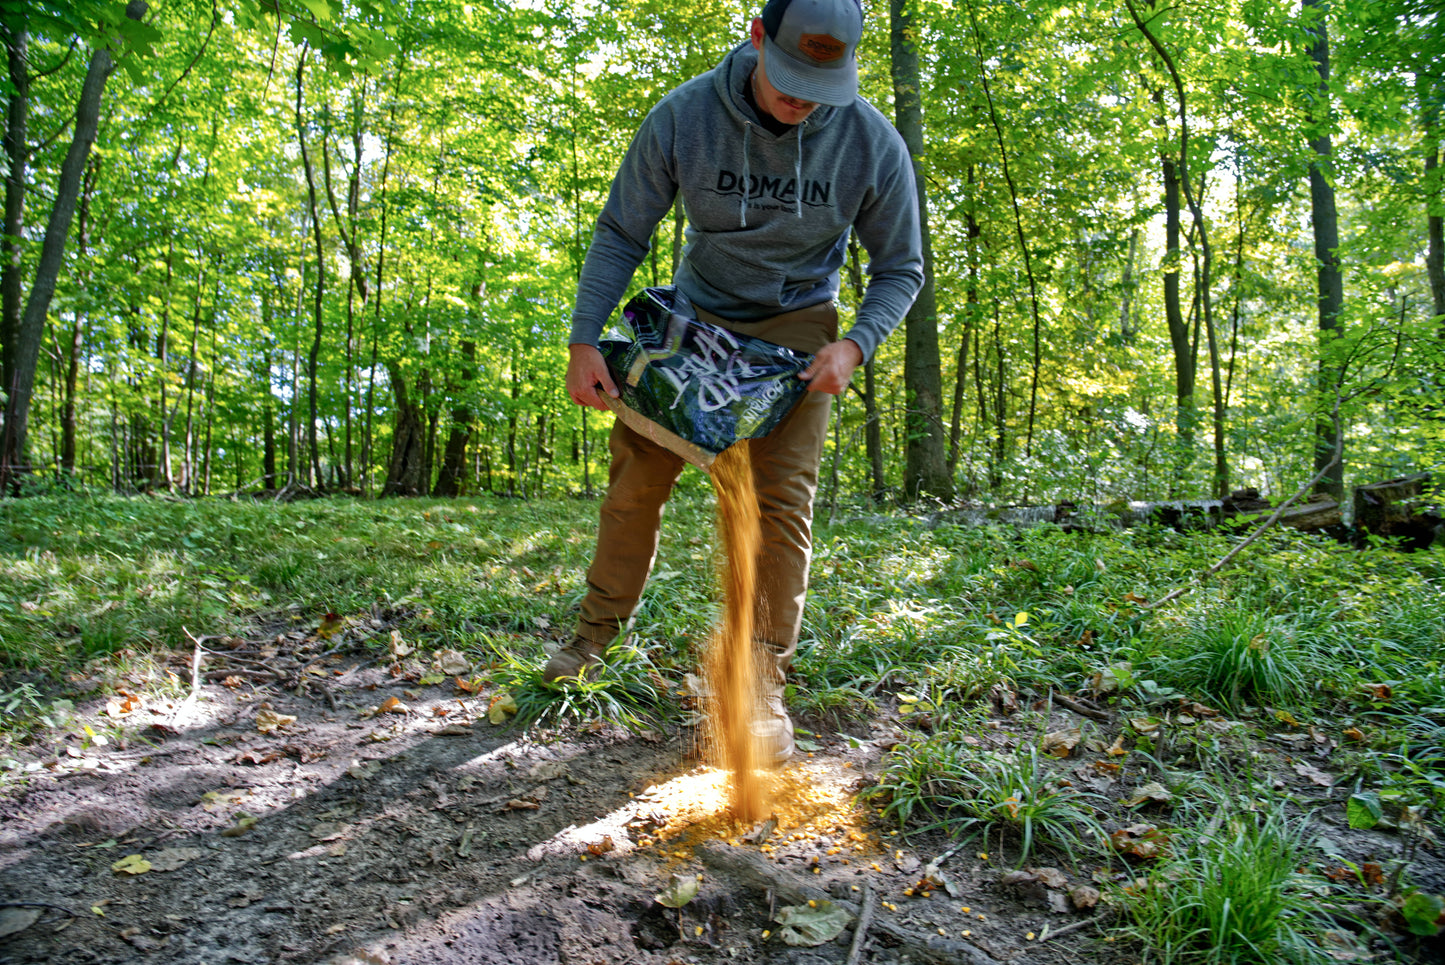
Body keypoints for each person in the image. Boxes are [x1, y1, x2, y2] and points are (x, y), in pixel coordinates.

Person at [548, 0, 924, 763]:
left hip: (798, 329)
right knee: (635, 481)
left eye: (821, 86)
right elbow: (622, 230)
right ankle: (591, 640)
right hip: (696, 321)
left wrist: (855, 345)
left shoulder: (869, 142)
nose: (803, 99)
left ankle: (757, 681)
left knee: (777, 502)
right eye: (790, 79)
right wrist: (584, 339)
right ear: (757, 38)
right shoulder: (684, 116)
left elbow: (900, 267)